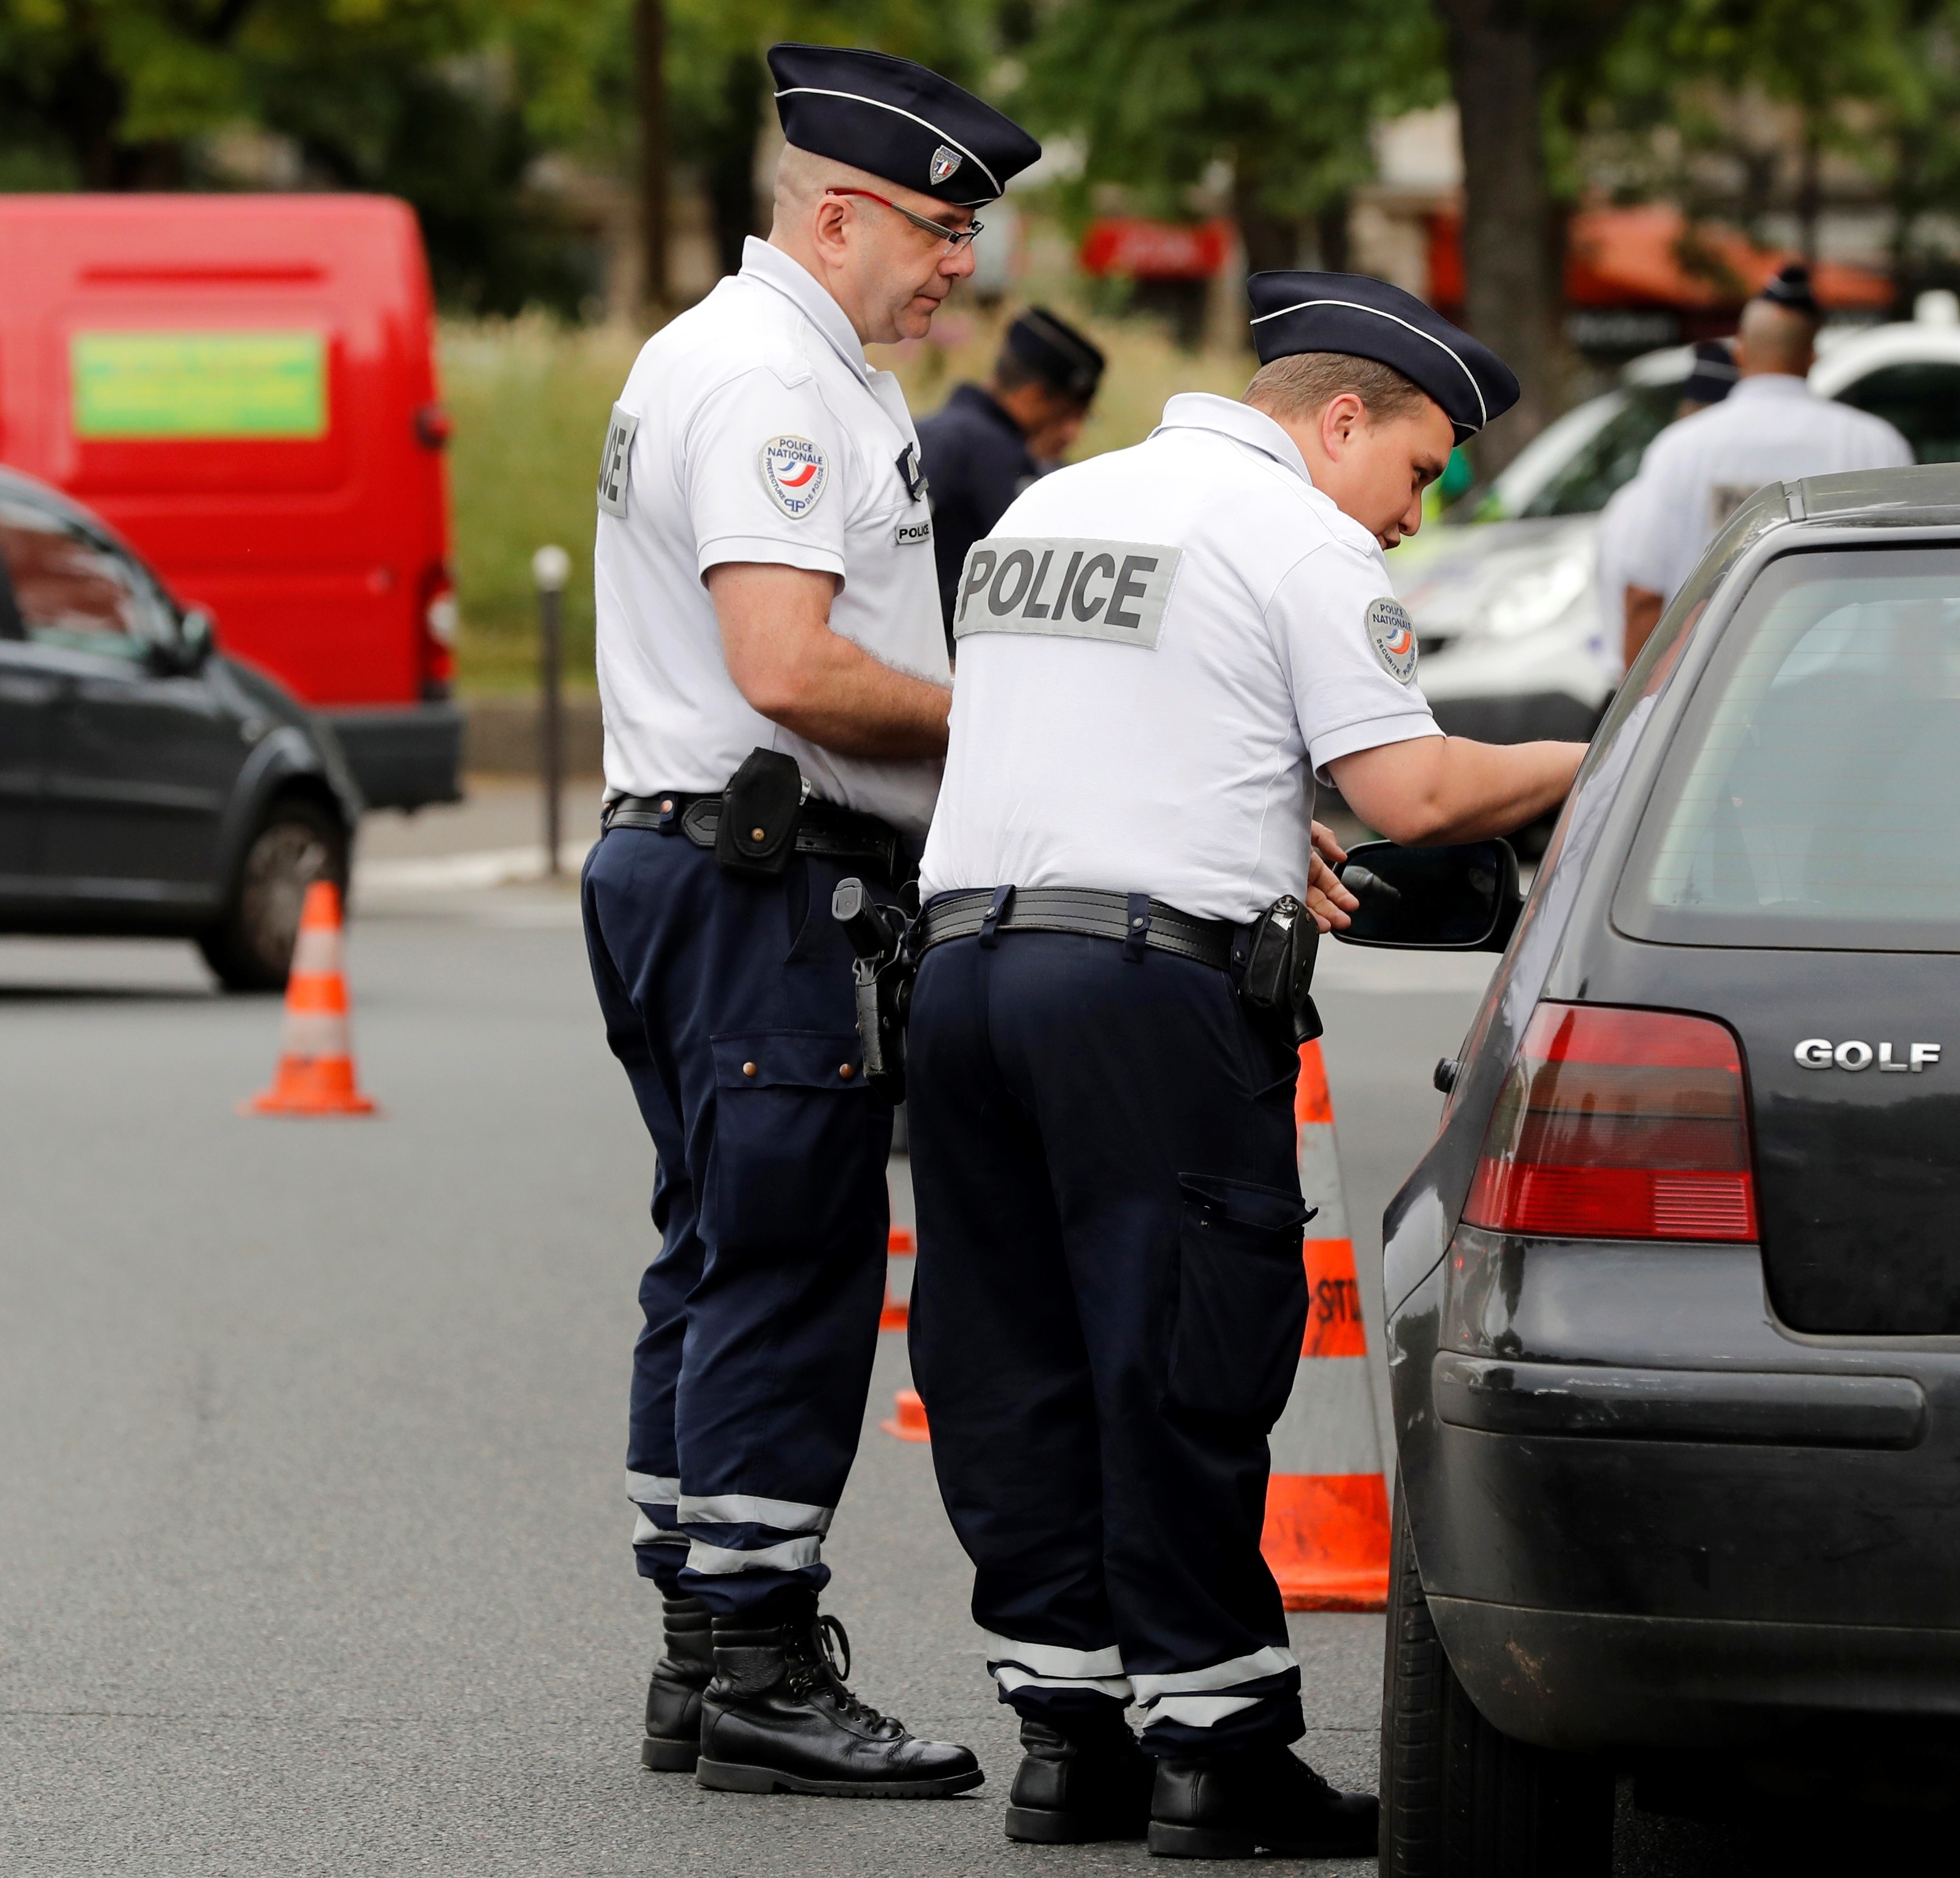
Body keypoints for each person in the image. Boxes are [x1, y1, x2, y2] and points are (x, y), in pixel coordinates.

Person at [904, 271, 1585, 1858]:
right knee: (1180, 1348)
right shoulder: (1299, 536)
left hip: (964, 975)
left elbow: (1087, 729)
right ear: (1338, 420)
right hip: (1143, 999)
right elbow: (1412, 791)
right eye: (1419, 469)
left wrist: (1257, 815)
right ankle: (1215, 1746)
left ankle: (1066, 1737)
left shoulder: (1053, 508)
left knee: (1016, 1353)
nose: (1415, 515)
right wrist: (1610, 743)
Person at [579, 41, 1037, 1798]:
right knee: (786, 1265)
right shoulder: (777, 384)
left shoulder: (726, 354)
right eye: (936, 228)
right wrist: (999, 712)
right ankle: (762, 1663)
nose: (957, 266)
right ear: (834, 212)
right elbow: (784, 666)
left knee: (711, 1251)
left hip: (685, 865)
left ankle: (701, 1654)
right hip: (763, 875)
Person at [1618, 263, 1912, 666]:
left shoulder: (1681, 448)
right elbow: (1907, 592)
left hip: (1711, 701)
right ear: (1812, 356)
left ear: (1739, 351)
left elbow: (1643, 596)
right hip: (1849, 696)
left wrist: (1639, 712)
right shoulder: (1875, 446)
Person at [916, 305, 1107, 643]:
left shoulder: (923, 430)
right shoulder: (996, 456)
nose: (1073, 434)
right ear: (1031, 398)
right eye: (1068, 416)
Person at [1592, 338, 1736, 686]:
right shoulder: (1658, 492)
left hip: (1639, 687)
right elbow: (1642, 598)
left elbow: (1636, 600)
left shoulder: (1631, 498)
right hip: (1673, 693)